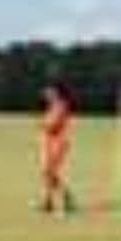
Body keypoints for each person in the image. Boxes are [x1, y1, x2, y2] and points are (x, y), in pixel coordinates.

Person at [38, 83, 77, 214]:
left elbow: (53, 125)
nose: (46, 94)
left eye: (49, 92)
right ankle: (48, 202)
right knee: (46, 173)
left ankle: (67, 197)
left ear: (56, 93)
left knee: (50, 172)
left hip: (58, 143)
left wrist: (44, 125)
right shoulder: (52, 106)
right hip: (49, 142)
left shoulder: (61, 106)